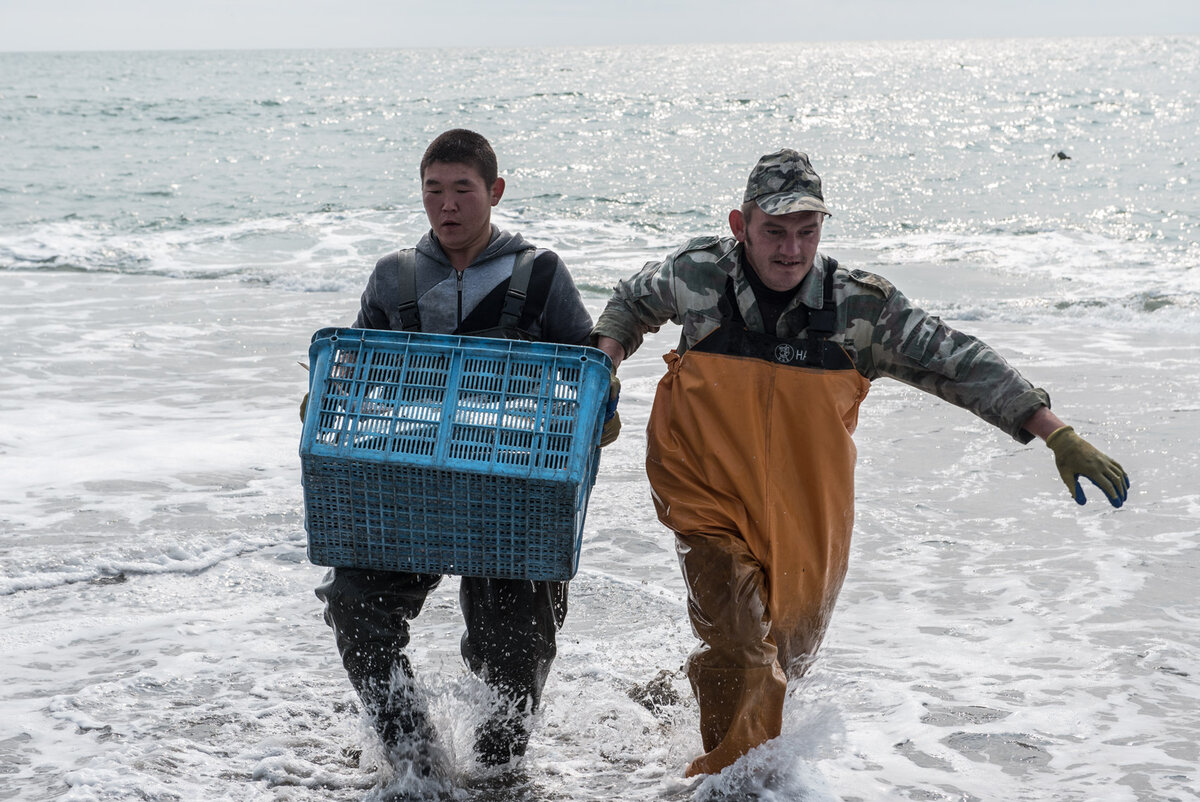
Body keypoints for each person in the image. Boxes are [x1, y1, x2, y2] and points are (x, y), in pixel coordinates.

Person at [591, 149, 1130, 778]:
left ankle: (663, 705)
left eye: (807, 231)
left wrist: (1054, 432)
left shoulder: (860, 310)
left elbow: (957, 361)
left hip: (808, 516)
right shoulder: (697, 275)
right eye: (774, 231)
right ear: (741, 226)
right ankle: (731, 785)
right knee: (743, 649)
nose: (791, 250)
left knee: (778, 663)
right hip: (702, 492)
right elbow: (630, 302)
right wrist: (602, 368)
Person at [313, 129, 599, 771]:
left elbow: (588, 368)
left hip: (513, 479)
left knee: (516, 655)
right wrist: (324, 396)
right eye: (433, 191)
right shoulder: (394, 276)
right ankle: (416, 758)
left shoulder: (542, 273)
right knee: (354, 604)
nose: (447, 206)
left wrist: (596, 421)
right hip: (409, 475)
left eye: (462, 190)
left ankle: (501, 772)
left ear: (494, 192)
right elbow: (356, 371)